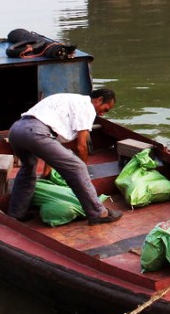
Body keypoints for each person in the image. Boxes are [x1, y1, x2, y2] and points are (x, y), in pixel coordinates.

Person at [7, 88, 122, 225]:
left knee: (28, 168)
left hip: (16, 130)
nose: (102, 114)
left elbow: (52, 140)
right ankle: (98, 213)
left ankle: (16, 213)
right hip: (35, 132)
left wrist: (46, 171)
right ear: (99, 100)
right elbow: (81, 146)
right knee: (77, 167)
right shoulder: (87, 107)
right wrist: (83, 168)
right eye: (105, 109)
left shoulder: (70, 100)